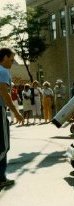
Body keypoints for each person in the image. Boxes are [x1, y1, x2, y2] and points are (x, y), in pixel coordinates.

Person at [0, 48, 24, 188]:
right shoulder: (3, 71)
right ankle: (1, 178)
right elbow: (4, 94)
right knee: (3, 146)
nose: (12, 62)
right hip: (0, 110)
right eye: (11, 59)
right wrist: (16, 112)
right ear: (4, 57)